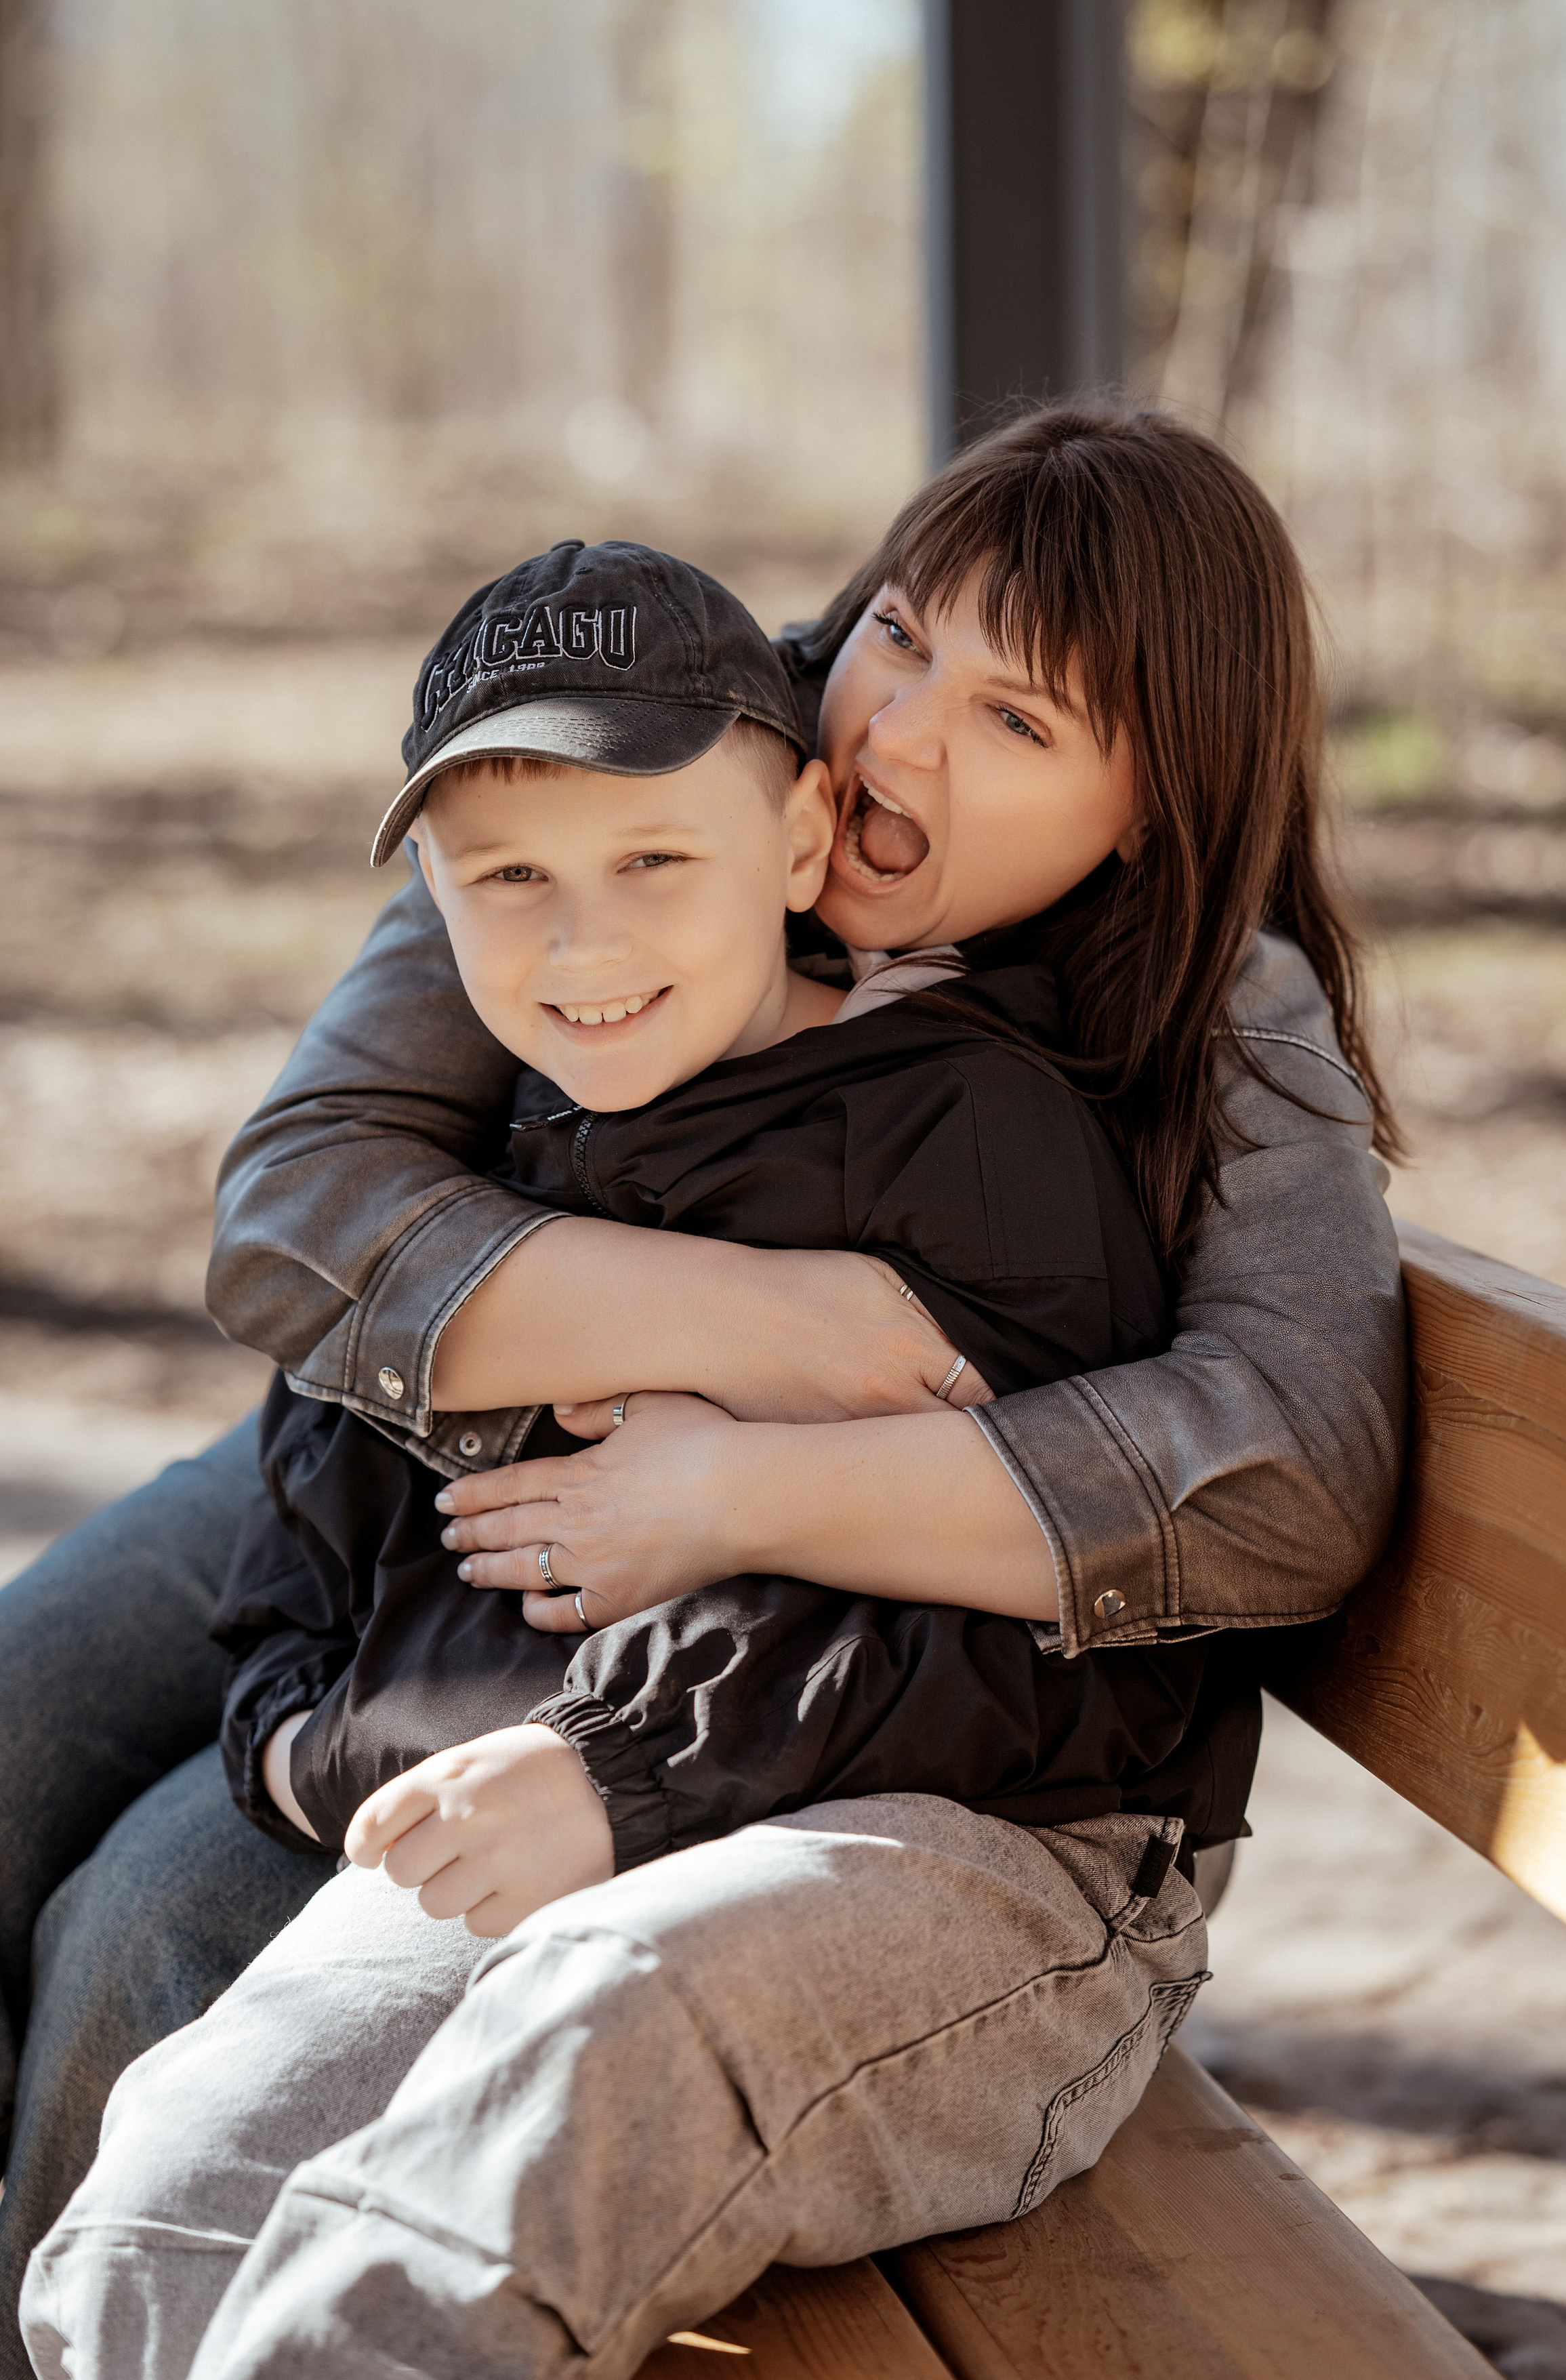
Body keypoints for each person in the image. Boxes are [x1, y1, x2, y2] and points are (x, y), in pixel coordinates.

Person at [4, 407, 1407, 2380]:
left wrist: (734, 1493)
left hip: (788, 1664)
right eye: (901, 635)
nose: (897, 733)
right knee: (23, 1715)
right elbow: (299, 1214)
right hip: (432, 1491)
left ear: (1151, 808)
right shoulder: (648, 754)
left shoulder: (1180, 1028)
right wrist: (766, 1324)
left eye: (1017, 720)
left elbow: (1287, 1466)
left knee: (159, 1915)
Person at [213, 536, 1232, 1881]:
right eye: (509, 877)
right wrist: (294, 1742)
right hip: (445, 1804)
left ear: (801, 841)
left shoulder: (961, 1137)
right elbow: (325, 1464)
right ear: (433, 894)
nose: (582, 943)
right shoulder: (520, 1112)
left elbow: (1081, 1646)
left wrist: (625, 1765)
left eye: (653, 859)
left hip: (770, 1847)